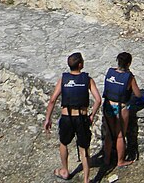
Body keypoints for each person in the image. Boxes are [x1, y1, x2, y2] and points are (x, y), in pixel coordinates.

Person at [43, 52, 102, 183]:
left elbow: (52, 100)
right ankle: (86, 180)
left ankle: (64, 170)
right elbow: (98, 100)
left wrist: (48, 118)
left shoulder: (63, 79)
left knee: (64, 143)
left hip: (67, 117)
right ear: (80, 65)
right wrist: (92, 115)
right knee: (84, 149)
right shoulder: (88, 80)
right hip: (81, 118)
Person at [102, 52, 142, 167]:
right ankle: (120, 161)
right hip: (121, 107)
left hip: (108, 105)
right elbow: (138, 94)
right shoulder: (129, 77)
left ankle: (106, 159)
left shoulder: (110, 72)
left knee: (109, 134)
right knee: (120, 135)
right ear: (129, 63)